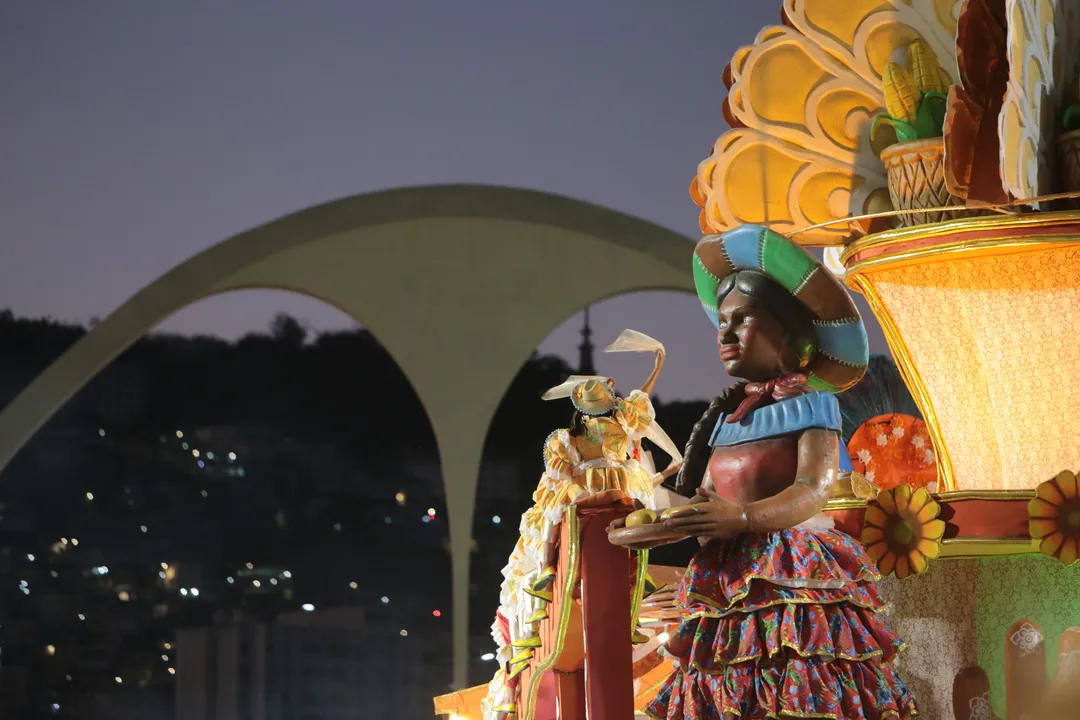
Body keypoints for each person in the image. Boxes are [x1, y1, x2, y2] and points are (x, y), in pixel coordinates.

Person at [611, 225, 918, 720]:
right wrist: (659, 527)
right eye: (721, 323)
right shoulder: (727, 417)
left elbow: (812, 489)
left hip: (789, 575)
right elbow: (707, 498)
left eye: (743, 319)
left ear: (789, 332)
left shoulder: (812, 403)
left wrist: (746, 518)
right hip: (726, 581)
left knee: (794, 679)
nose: (725, 335)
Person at [480, 330, 683, 720]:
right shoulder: (565, 438)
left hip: (616, 486)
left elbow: (641, 399)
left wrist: (656, 366)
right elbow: (558, 472)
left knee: (632, 519)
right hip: (588, 490)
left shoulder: (620, 423)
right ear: (584, 409)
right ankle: (547, 569)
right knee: (555, 518)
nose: (601, 408)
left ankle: (636, 585)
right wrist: (581, 482)